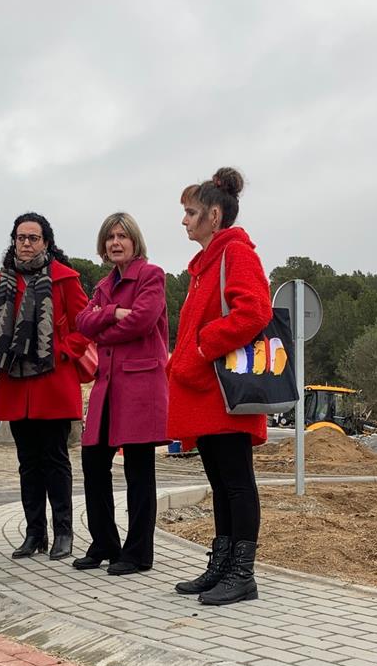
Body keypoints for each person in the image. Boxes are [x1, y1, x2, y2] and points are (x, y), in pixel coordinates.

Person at [166, 167, 272, 606]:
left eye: (191, 213)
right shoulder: (206, 263)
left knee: (237, 483)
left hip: (224, 394)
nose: (184, 221)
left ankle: (242, 574)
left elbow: (255, 313)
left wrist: (200, 346)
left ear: (213, 214)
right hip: (206, 393)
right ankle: (222, 564)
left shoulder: (235, 254)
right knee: (221, 482)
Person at [0, 213, 91, 561]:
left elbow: (85, 326)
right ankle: (34, 534)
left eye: (34, 237)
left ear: (46, 241)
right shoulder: (2, 281)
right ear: (13, 241)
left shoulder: (65, 279)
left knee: (55, 460)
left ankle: (64, 533)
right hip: (16, 383)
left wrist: (62, 351)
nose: (27, 243)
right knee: (27, 463)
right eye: (21, 237)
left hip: (52, 381)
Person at [73, 212, 168, 574]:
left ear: (134, 241)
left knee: (139, 471)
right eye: (110, 236)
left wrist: (103, 324)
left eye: (122, 236)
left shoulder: (151, 276)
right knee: (93, 463)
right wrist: (112, 312)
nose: (115, 242)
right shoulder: (102, 285)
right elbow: (84, 323)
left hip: (140, 386)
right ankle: (105, 543)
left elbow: (143, 320)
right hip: (106, 387)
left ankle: (138, 553)